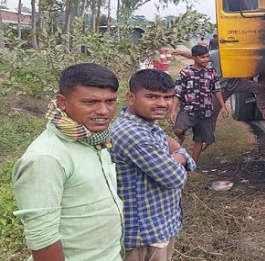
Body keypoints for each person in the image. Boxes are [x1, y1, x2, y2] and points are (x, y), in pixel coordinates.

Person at [12, 63, 122, 261]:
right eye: (90, 102)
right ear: (62, 102)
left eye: (111, 101)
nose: (104, 111)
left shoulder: (94, 139)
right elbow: (43, 239)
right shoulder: (46, 158)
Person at [109, 69, 196, 261]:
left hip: (158, 226)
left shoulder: (147, 124)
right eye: (152, 97)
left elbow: (186, 158)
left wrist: (177, 155)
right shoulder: (133, 134)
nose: (162, 103)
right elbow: (175, 178)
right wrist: (178, 156)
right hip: (144, 235)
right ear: (131, 98)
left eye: (168, 97)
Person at [171, 47, 265, 149]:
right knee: (211, 114)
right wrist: (181, 52)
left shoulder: (244, 53)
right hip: (219, 89)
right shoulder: (216, 54)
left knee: (259, 88)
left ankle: (264, 110)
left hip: (235, 83)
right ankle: (207, 139)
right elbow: (196, 56)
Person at [169, 45, 228, 163]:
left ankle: (193, 164)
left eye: (207, 57)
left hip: (205, 111)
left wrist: (223, 106)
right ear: (194, 57)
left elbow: (217, 90)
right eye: (202, 57)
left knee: (200, 139)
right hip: (188, 109)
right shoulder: (186, 73)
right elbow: (178, 92)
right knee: (178, 130)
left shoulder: (211, 73)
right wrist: (173, 110)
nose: (206, 59)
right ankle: (181, 139)